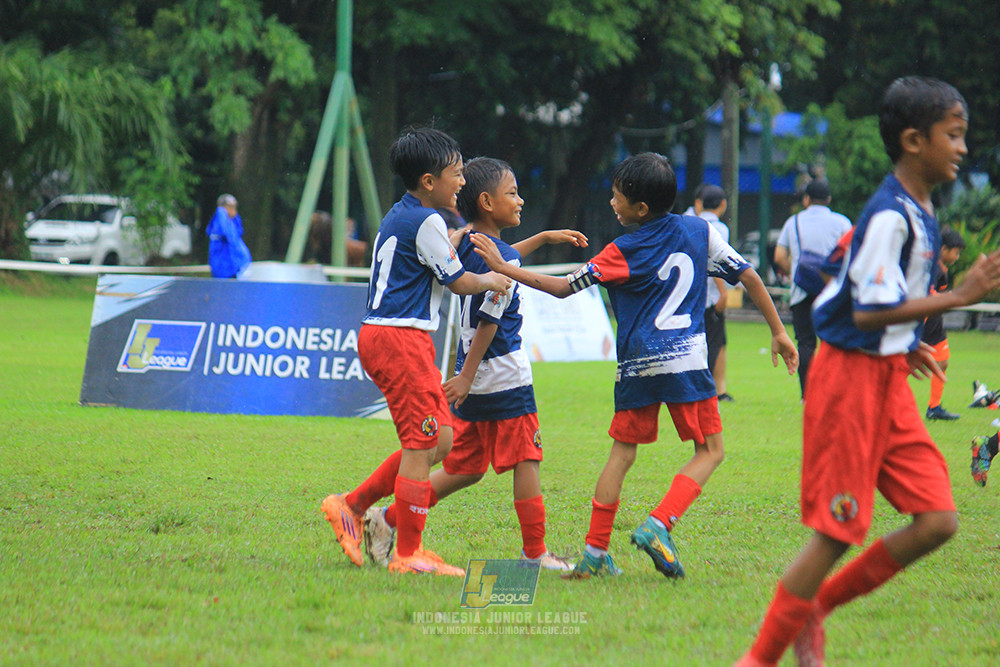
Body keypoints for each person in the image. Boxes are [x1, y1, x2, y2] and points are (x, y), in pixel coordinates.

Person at [733, 76, 1000, 667]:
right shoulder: (891, 214)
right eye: (954, 134)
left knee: (938, 520)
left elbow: (851, 280)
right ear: (914, 140)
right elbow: (866, 308)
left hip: (887, 380)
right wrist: (959, 297)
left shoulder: (920, 210)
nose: (963, 147)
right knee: (836, 531)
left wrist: (903, 345)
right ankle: (757, 659)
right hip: (849, 381)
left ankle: (816, 608)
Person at [470, 152, 798, 580]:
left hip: (636, 367)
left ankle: (594, 553)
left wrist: (503, 268)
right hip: (686, 363)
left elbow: (564, 288)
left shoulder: (620, 251)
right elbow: (749, 276)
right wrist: (778, 331)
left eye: (617, 197)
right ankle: (659, 523)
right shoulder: (700, 231)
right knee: (711, 451)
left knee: (622, 455)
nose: (611, 202)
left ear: (640, 209)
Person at [361, 157, 588, 571]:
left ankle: (388, 519)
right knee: (527, 457)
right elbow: (490, 316)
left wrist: (541, 238)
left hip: (472, 373)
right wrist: (465, 377)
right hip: (501, 372)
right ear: (486, 202)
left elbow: (503, 259)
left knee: (465, 467)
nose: (520, 199)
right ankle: (535, 554)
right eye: (512, 193)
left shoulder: (462, 243)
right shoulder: (501, 259)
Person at [321, 127, 511, 577]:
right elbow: (460, 281)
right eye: (456, 174)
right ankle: (407, 552)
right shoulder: (428, 222)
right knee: (422, 443)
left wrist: (452, 243)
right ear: (429, 181)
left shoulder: (403, 215)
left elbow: (424, 258)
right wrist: (491, 278)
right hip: (399, 339)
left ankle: (354, 505)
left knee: (439, 441)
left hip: (392, 337)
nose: (462, 182)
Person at [774, 179, 853, 399]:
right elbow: (851, 256)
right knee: (832, 343)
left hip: (801, 292)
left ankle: (807, 396)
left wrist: (796, 273)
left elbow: (779, 256)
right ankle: (831, 394)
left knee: (806, 343)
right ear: (828, 199)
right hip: (832, 292)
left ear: (806, 199)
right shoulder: (842, 222)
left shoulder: (793, 221)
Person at [919, 227, 966, 420]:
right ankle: (882, 399)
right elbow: (927, 296)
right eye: (956, 252)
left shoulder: (942, 270)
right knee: (904, 366)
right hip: (924, 322)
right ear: (944, 249)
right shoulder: (932, 269)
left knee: (943, 361)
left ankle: (934, 407)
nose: (957, 257)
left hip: (935, 324)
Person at [696, 185, 736, 402]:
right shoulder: (720, 228)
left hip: (691, 295)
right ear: (723, 204)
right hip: (710, 296)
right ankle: (707, 390)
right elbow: (717, 261)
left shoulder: (692, 223)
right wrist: (723, 293)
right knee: (713, 343)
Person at [206, 194, 252, 278]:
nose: (234, 210)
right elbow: (226, 232)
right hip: (225, 267)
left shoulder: (233, 222)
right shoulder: (221, 220)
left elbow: (239, 233)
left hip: (236, 267)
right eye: (231, 207)